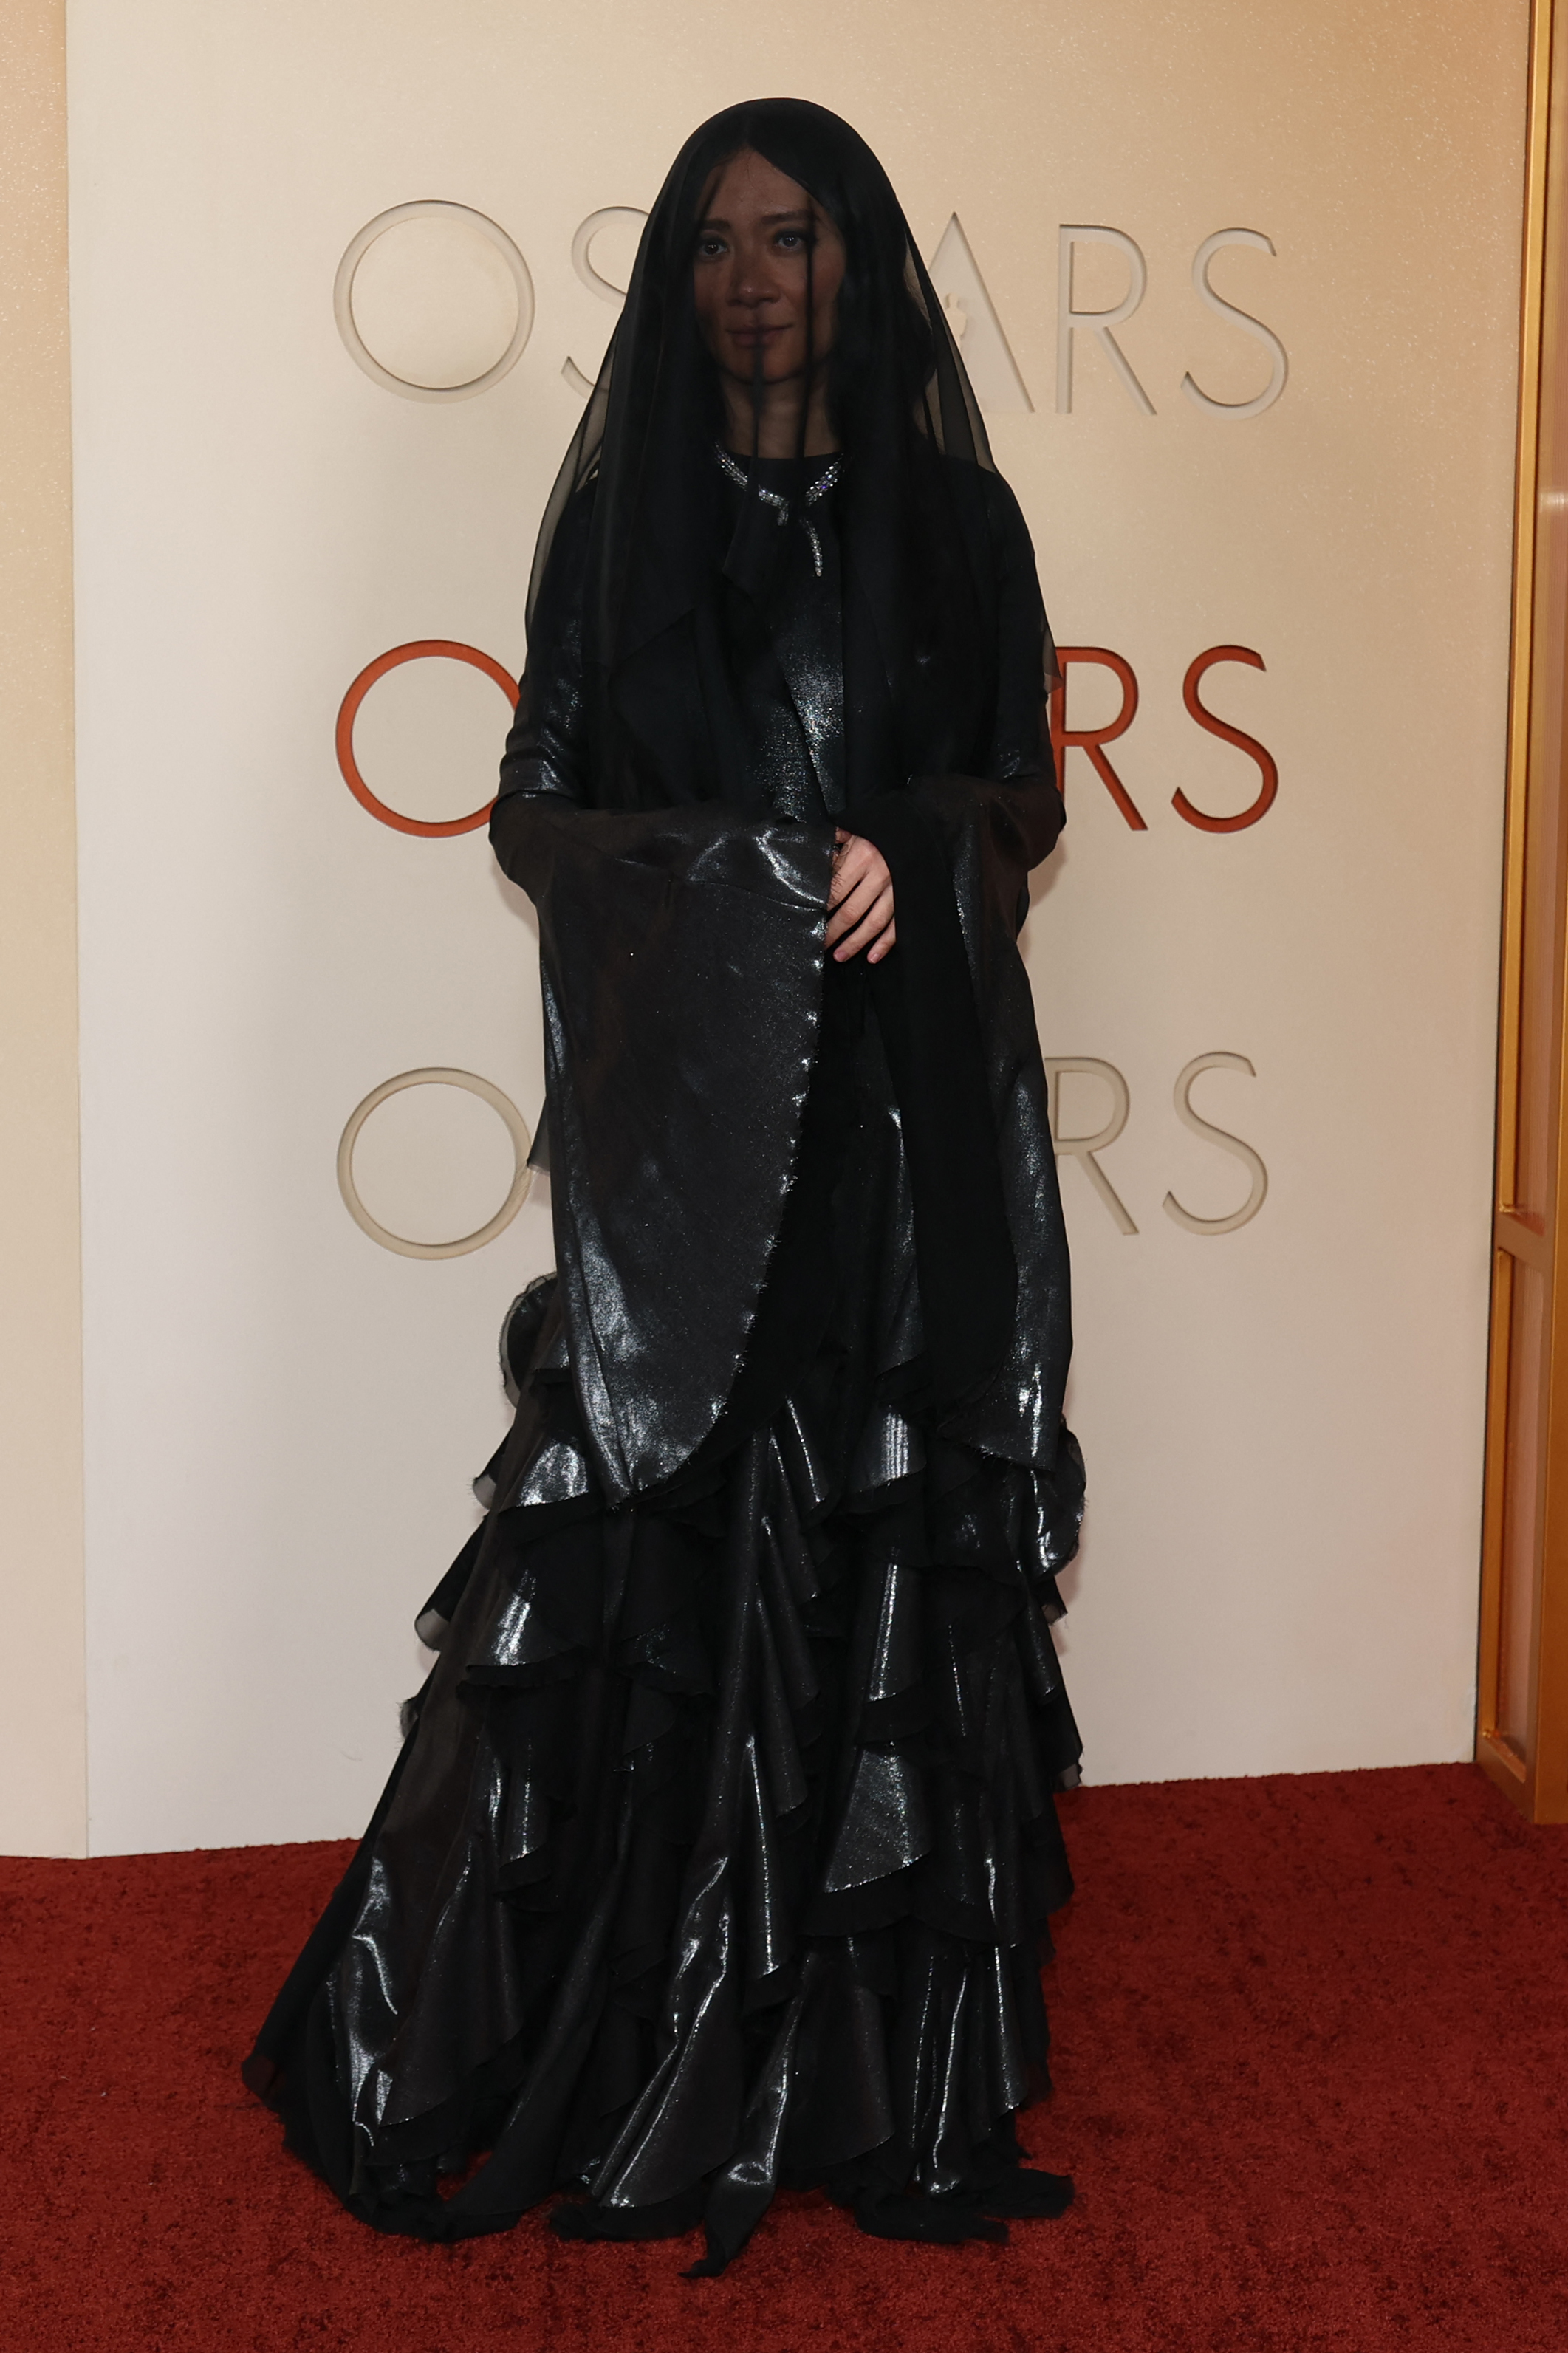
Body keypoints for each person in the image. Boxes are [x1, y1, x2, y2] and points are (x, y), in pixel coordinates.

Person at [244, 96, 1085, 2278]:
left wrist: (913, 838)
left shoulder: (964, 524)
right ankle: (643, 2045)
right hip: (692, 1153)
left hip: (897, 1137)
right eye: (712, 241)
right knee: (666, 1575)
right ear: (671, 277)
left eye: (792, 237)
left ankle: (875, 2089)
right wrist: (734, 878)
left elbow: (1020, 792)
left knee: (883, 1561)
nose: (750, 278)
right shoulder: (619, 526)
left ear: (858, 260)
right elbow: (531, 809)